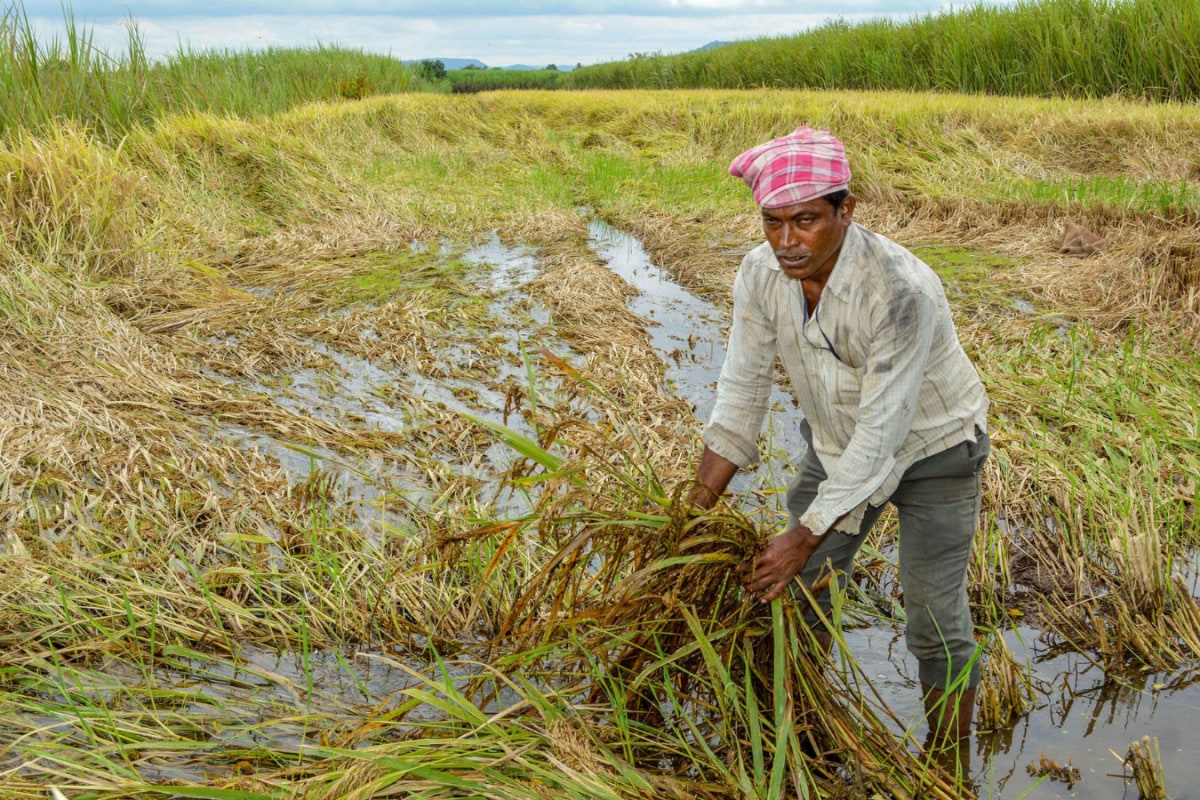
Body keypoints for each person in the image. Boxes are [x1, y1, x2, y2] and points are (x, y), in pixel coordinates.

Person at [689, 126, 991, 748]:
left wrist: (803, 534)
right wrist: (690, 511)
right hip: (837, 447)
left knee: (935, 619)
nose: (786, 241)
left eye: (804, 221)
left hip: (936, 451)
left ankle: (948, 766)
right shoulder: (760, 274)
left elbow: (883, 438)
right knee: (793, 595)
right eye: (772, 222)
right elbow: (742, 390)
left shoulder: (899, 290)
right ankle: (800, 738)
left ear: (845, 211)